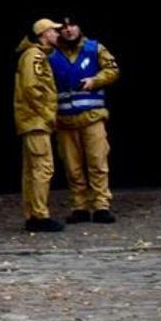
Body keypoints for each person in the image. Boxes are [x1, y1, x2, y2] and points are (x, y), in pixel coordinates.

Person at [50, 16, 120, 224]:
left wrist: (95, 80)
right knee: (72, 166)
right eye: (63, 27)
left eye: (72, 25)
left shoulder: (94, 48)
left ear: (79, 26)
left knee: (97, 161)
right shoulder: (51, 54)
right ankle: (79, 206)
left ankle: (101, 205)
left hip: (92, 116)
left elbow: (113, 70)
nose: (68, 30)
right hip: (64, 119)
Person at [14, 19, 64, 232]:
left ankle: (34, 213)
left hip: (32, 121)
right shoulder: (35, 56)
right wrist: (47, 115)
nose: (57, 33)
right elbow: (31, 88)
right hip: (36, 121)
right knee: (43, 168)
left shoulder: (34, 55)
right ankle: (39, 214)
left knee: (33, 169)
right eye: (54, 30)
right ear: (44, 33)